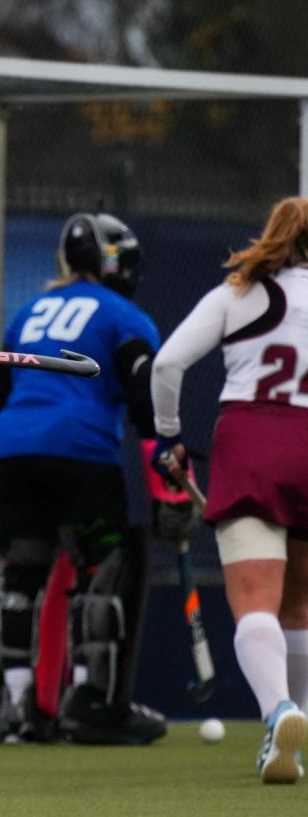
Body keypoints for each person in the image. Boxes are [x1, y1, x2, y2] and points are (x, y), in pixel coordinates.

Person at [0, 211, 197, 745]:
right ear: (112, 260)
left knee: (21, 576)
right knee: (100, 571)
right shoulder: (124, 316)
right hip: (80, 452)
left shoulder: (29, 311)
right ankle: (90, 703)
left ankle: (18, 710)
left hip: (12, 451)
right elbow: (150, 405)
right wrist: (171, 483)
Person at [150, 196, 308, 784]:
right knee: (298, 607)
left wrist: (170, 438)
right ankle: (294, 725)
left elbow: (166, 366)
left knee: (255, 604)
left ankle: (278, 712)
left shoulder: (237, 293)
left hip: (253, 442)